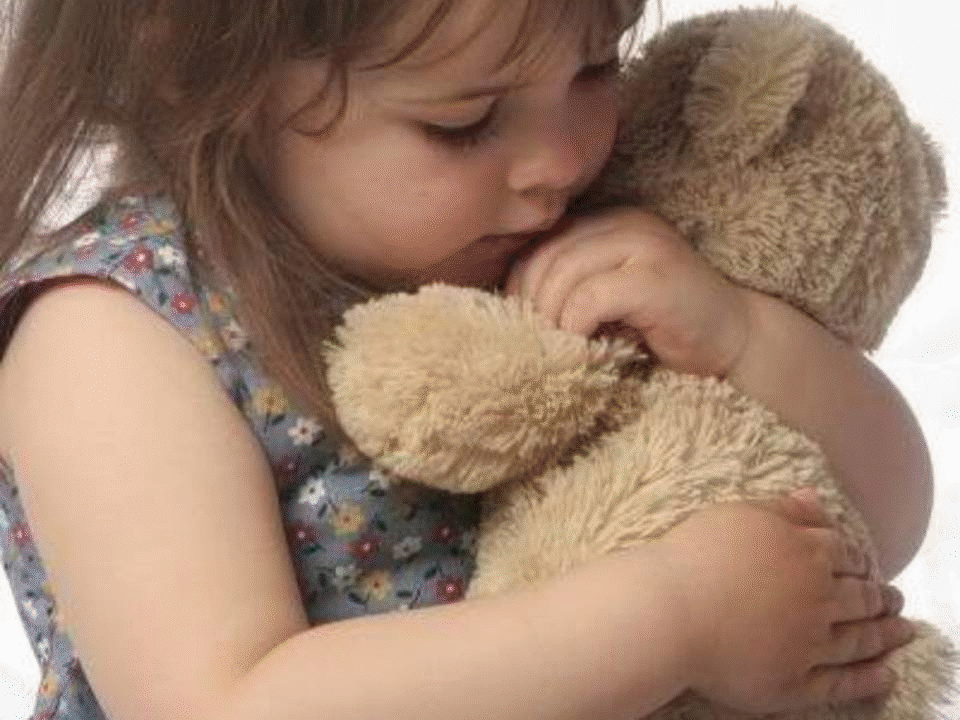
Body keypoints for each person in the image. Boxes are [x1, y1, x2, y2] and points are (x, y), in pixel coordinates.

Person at [0, 0, 933, 719]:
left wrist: (740, 337)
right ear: (205, 74)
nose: (560, 159)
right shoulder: (115, 331)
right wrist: (675, 618)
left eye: (597, 65)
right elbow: (224, 703)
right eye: (465, 123)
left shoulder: (578, 233)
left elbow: (884, 521)